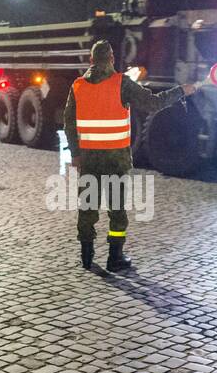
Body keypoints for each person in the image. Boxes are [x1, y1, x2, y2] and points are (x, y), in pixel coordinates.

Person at [63, 39, 197, 272]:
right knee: (117, 209)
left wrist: (75, 154)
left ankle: (86, 255)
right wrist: (180, 91)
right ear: (112, 59)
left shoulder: (77, 86)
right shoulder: (121, 83)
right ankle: (115, 258)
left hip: (88, 158)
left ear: (91, 60)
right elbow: (154, 103)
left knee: (87, 206)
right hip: (116, 159)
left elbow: (68, 123)